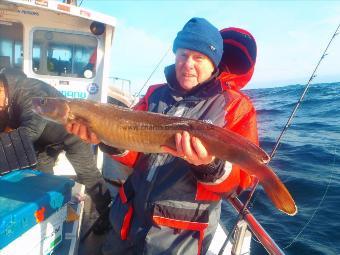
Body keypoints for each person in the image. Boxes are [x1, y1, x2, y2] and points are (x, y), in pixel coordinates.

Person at [67, 18, 259, 254]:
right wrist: (106, 138)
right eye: (182, 55)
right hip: (127, 221)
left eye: (198, 58)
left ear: (214, 64)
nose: (188, 64)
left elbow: (243, 181)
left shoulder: (236, 106)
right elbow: (135, 154)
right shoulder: (154, 93)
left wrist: (209, 165)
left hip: (176, 239)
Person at [0, 67, 111, 234]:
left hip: (71, 136)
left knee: (88, 176)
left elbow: (31, 129)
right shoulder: (6, 100)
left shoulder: (29, 90)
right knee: (43, 181)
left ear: (2, 87)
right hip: (44, 144)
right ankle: (52, 217)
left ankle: (108, 215)